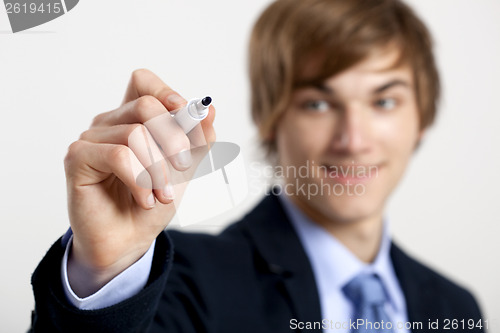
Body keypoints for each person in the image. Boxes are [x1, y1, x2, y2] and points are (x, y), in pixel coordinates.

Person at [29, 0, 484, 332]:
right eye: (318, 103)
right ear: (270, 118)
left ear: (421, 118)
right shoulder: (182, 285)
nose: (354, 141)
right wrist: (107, 267)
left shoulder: (454, 306)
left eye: (384, 100)